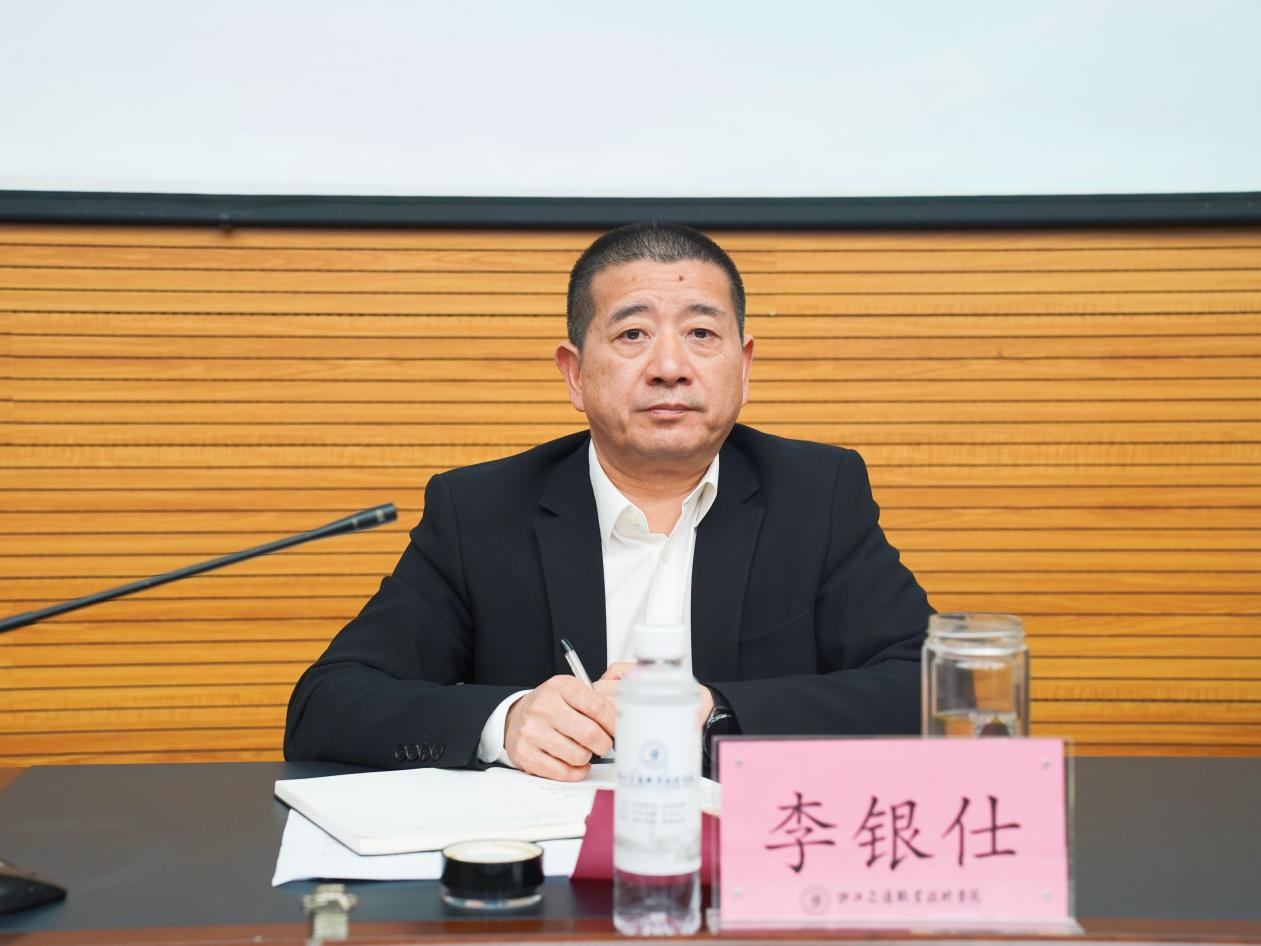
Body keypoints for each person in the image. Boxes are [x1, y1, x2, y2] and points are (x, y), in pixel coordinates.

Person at [284, 222, 931, 780]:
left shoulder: (817, 494)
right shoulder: (479, 511)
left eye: (701, 332)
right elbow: (328, 703)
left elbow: (925, 687)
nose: (670, 366)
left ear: (744, 366)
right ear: (574, 374)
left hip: (743, 854)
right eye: (632, 335)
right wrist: (504, 721)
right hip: (547, 862)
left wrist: (720, 715)